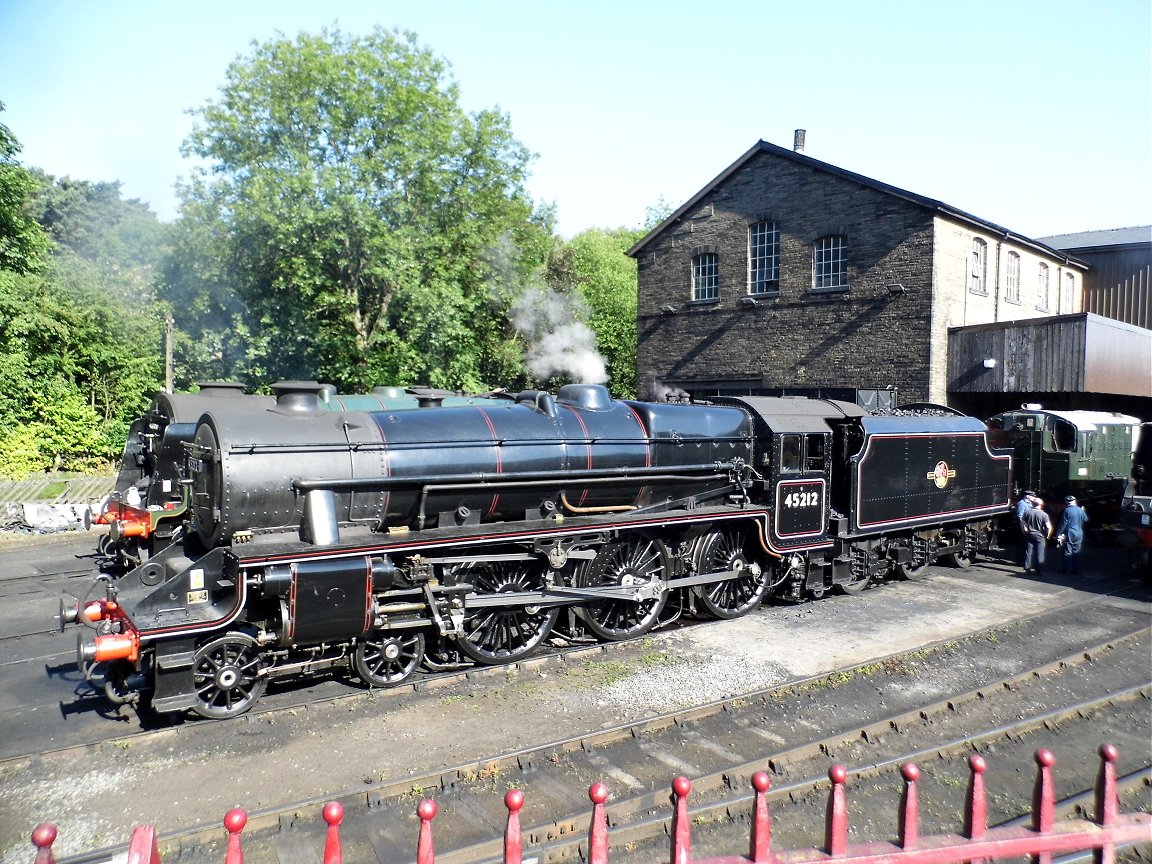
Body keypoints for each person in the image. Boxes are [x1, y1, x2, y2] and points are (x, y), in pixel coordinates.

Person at [1056, 495, 1089, 577]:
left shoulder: (1066, 510)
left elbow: (1063, 524)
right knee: (1077, 551)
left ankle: (1066, 569)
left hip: (1070, 533)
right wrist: (1083, 511)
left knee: (1067, 551)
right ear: (1074, 501)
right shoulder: (1080, 510)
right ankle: (1077, 570)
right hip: (1079, 532)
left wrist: (1057, 534)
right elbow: (1086, 519)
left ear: (1066, 502)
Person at [1021, 498, 1053, 575]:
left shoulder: (1027, 512)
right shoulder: (1044, 514)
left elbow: (1023, 524)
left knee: (1028, 552)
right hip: (1040, 536)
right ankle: (1038, 569)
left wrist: (1025, 532)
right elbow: (1048, 527)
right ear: (1041, 505)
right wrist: (1048, 535)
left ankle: (1027, 568)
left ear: (1033, 504)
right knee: (1039, 552)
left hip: (1029, 535)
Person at [1014, 490, 1036, 565]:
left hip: (1028, 526)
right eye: (1032, 496)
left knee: (1025, 544)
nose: (1034, 497)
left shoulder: (1029, 503)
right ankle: (1019, 561)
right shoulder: (1022, 504)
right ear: (1027, 496)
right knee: (1021, 544)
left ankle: (1023, 559)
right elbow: (1020, 517)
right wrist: (1024, 528)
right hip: (1022, 526)